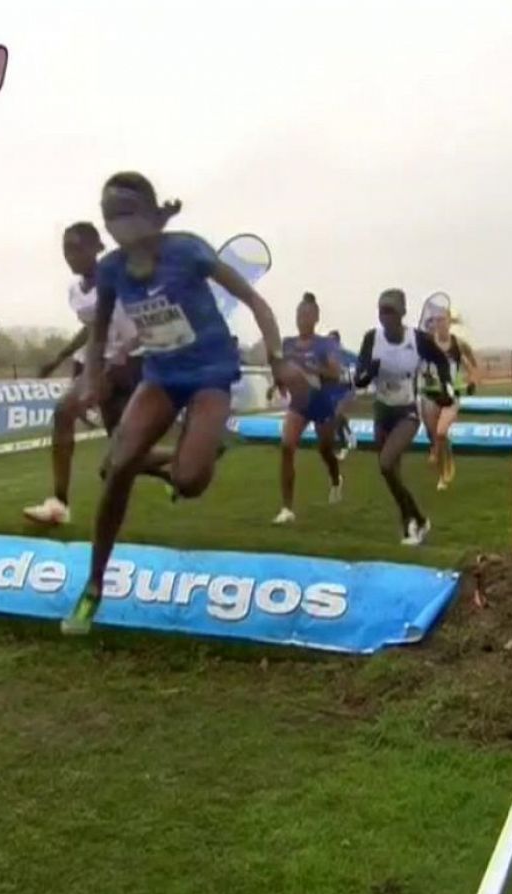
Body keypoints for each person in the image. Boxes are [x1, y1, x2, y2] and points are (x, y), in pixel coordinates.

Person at [61, 172, 305, 636]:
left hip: (210, 375)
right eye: (113, 217)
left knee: (190, 482)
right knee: (117, 466)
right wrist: (91, 377)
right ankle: (93, 586)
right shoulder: (111, 270)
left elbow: (255, 300)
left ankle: (200, 449)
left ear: (151, 215)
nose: (121, 226)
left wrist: (276, 358)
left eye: (131, 214)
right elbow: (97, 333)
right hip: (161, 376)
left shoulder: (188, 250)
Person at [24, 222, 172, 526]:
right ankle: (180, 461)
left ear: (97, 248)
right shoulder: (75, 293)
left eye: (78, 247)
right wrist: (59, 357)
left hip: (132, 363)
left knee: (64, 411)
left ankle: (59, 504)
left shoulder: (118, 278)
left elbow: (140, 329)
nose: (71, 255)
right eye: (66, 248)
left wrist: (104, 370)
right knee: (121, 457)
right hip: (105, 362)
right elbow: (93, 326)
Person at [354, 288, 455, 546]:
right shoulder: (371, 338)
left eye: (390, 312)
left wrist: (446, 387)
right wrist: (368, 373)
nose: (385, 317)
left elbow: (442, 361)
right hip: (382, 410)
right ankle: (413, 524)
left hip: (407, 412)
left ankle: (418, 521)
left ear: (402, 314)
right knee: (391, 474)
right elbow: (359, 377)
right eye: (381, 311)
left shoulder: (417, 339)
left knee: (386, 464)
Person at [271, 294, 346, 524]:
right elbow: (282, 368)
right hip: (299, 405)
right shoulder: (288, 344)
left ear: (315, 318)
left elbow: (336, 373)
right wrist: (280, 383)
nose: (301, 319)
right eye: (298, 315)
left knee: (325, 450)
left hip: (323, 403)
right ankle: (286, 509)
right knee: (286, 447)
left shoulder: (326, 344)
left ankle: (336, 479)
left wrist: (312, 369)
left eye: (306, 315)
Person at [418, 309, 477, 490]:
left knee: (441, 432)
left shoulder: (458, 345)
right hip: (429, 394)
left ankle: (442, 468)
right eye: (436, 321)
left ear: (449, 322)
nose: (439, 324)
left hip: (452, 394)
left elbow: (472, 364)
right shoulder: (426, 345)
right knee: (433, 435)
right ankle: (442, 462)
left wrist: (472, 381)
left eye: (442, 320)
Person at [326, 327, 358, 459]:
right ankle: (350, 436)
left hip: (346, 392)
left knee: (336, 416)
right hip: (332, 391)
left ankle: (343, 446)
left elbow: (357, 369)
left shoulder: (347, 356)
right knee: (335, 416)